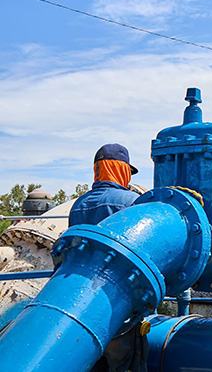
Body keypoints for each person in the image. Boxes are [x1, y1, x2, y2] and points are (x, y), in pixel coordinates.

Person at [68, 143, 147, 372]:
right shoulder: (131, 202)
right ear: (121, 169)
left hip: (81, 302)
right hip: (118, 303)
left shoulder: (79, 205)